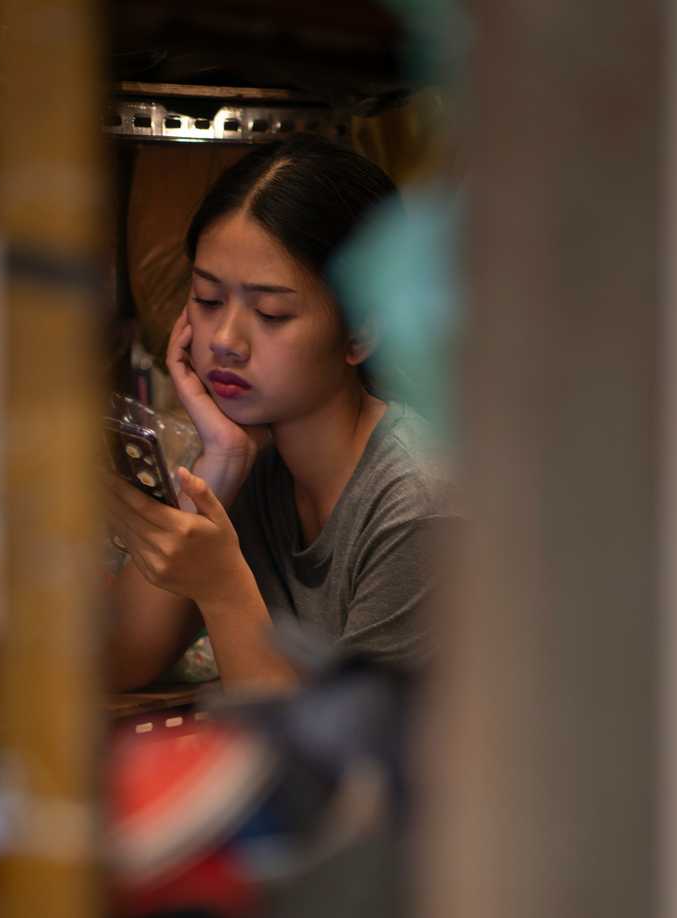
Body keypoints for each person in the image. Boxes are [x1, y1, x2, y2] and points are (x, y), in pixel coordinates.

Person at [107, 134, 452, 692]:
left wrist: (223, 589)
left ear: (360, 330)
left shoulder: (420, 509)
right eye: (208, 299)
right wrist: (217, 465)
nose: (224, 340)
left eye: (271, 313)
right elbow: (115, 665)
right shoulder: (260, 464)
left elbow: (343, 766)